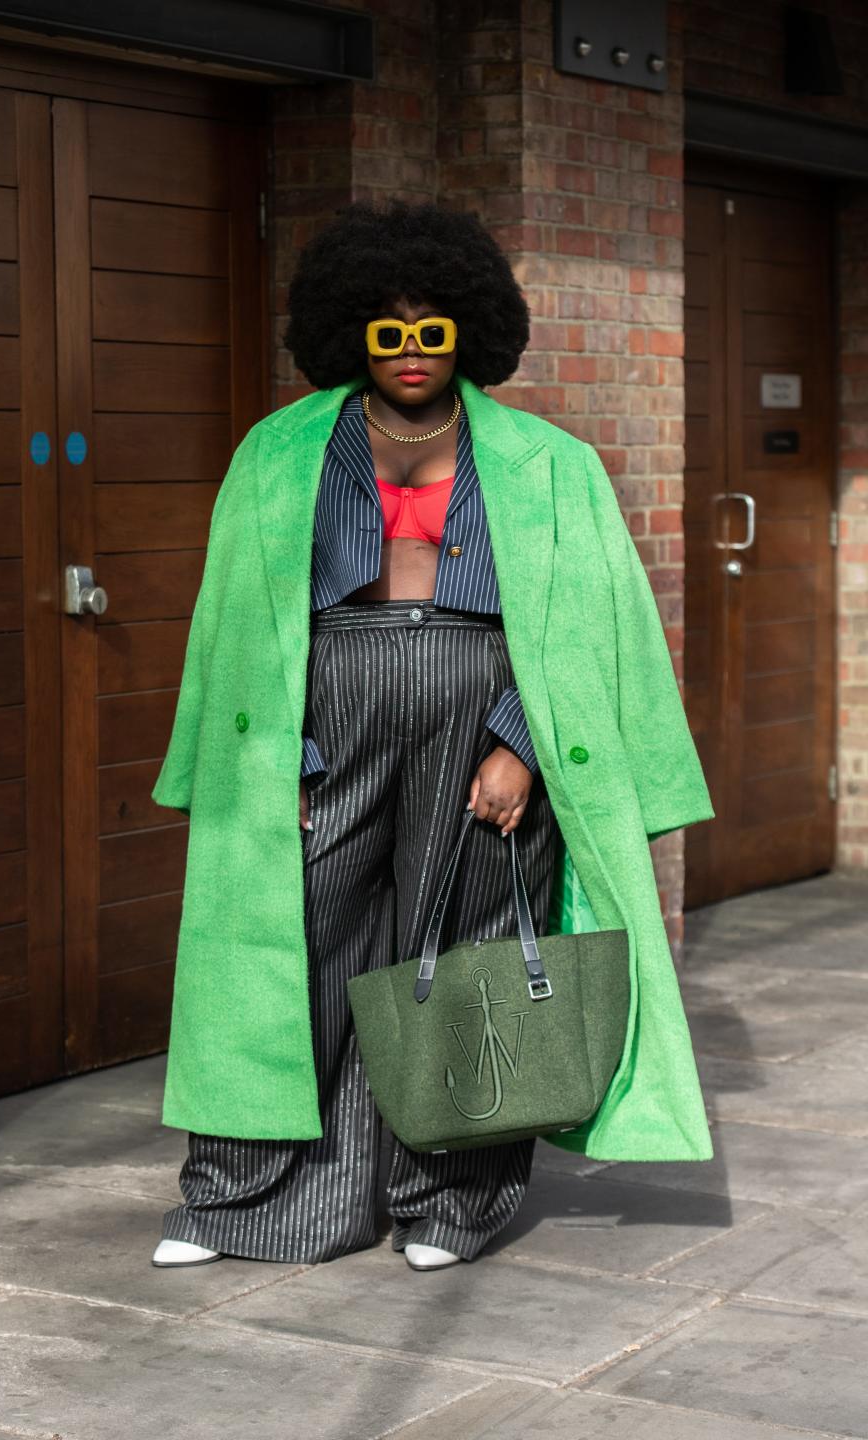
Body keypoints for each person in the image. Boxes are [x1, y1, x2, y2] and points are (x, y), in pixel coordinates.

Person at [149, 200, 714, 1275]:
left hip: (484, 719)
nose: (411, 351)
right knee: (292, 946)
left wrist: (521, 747)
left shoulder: (549, 462)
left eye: (433, 329)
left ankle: (448, 1202)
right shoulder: (281, 452)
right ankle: (253, 1205)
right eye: (389, 329)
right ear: (350, 329)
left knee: (462, 953)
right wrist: (281, 757)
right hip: (327, 724)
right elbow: (237, 622)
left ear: (471, 329)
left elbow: (586, 627)